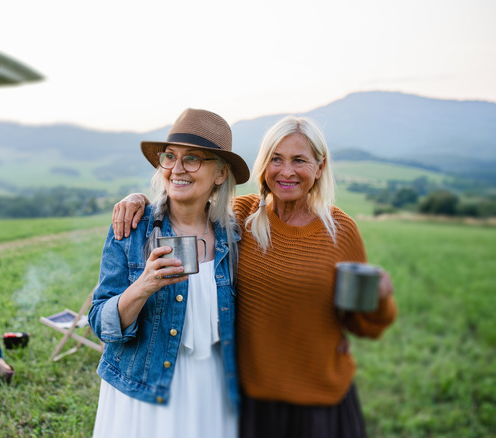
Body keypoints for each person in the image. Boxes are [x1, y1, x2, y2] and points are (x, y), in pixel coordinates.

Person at [111, 115, 397, 438]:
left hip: (321, 401)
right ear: (264, 165)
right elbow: (186, 205)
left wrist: (381, 299)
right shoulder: (240, 217)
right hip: (251, 402)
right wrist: (138, 201)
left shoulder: (340, 231)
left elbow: (361, 324)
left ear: (319, 167)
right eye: (276, 159)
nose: (286, 171)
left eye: (299, 160)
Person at [89, 108, 251, 438]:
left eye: (193, 159)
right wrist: (143, 286)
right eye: (170, 157)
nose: (177, 169)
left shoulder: (235, 235)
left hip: (213, 385)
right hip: (145, 387)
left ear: (220, 174)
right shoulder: (132, 228)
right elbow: (100, 322)